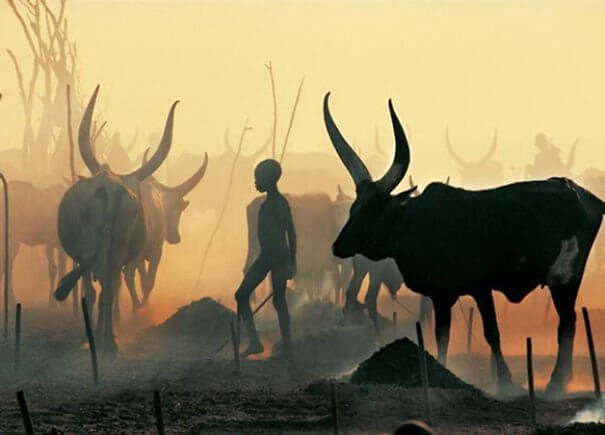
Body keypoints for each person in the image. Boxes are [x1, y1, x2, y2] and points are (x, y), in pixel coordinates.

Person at [235, 159, 296, 359]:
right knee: (274, 301)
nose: (255, 182)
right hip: (271, 257)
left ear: (268, 180)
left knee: (249, 296)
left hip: (274, 258)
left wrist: (291, 263)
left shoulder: (275, 204)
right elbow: (291, 233)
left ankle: (264, 344)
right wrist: (292, 261)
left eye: (257, 178)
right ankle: (273, 345)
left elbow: (291, 233)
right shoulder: (275, 203)